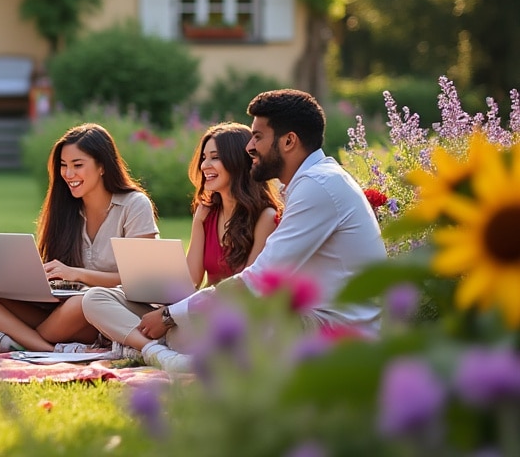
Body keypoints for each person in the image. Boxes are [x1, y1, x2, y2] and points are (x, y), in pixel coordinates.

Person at [109, 89, 389, 373]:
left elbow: (258, 281)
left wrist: (169, 315)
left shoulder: (318, 186)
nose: (249, 147)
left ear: (289, 141)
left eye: (258, 137)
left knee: (209, 325)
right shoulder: (311, 182)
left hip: (335, 335)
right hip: (308, 322)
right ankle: (163, 349)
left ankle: (153, 349)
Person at [79, 122, 282, 365]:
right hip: (189, 315)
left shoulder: (265, 217)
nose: (205, 165)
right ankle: (159, 352)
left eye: (215, 158)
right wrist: (156, 293)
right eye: (204, 158)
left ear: (237, 161)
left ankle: (140, 346)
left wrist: (169, 317)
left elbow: (247, 291)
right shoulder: (207, 213)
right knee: (94, 299)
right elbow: (190, 281)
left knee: (183, 331)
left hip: (230, 320)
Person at [0, 123, 159, 354]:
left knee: (84, 301)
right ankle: (50, 349)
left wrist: (76, 273)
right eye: (63, 166)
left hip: (110, 308)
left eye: (77, 165)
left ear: (102, 166)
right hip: (64, 310)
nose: (69, 174)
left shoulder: (134, 205)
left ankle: (26, 342)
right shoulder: (65, 208)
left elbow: (141, 282)